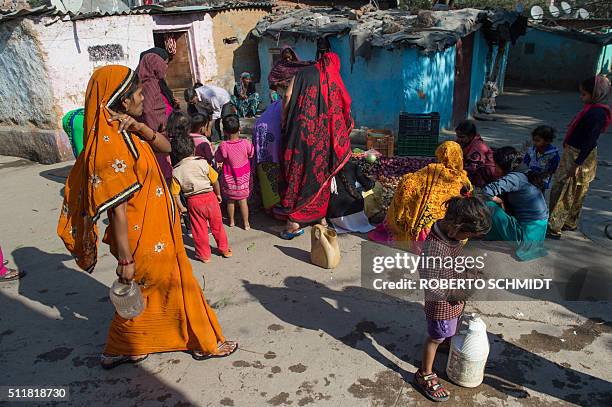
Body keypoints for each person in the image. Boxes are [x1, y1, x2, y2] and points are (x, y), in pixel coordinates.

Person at [57, 65, 237, 369]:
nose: (144, 96)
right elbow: (118, 210)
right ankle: (204, 341)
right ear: (123, 101)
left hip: (158, 233)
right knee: (173, 286)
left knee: (149, 293)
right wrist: (125, 260)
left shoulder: (128, 132)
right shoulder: (109, 147)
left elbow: (167, 149)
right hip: (143, 239)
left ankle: (126, 347)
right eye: (139, 92)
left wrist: (141, 128)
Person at [414, 194, 491, 402]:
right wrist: (455, 294)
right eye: (468, 234)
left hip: (453, 298)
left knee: (449, 329)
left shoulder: (449, 234)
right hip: (441, 304)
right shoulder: (436, 248)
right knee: (435, 337)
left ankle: (446, 342)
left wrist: (467, 272)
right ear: (456, 226)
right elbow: (431, 282)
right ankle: (425, 373)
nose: (467, 239)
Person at [279, 39, 353, 239]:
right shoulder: (333, 77)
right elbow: (344, 105)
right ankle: (320, 218)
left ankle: (293, 222)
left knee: (297, 172)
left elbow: (287, 96)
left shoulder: (301, 72)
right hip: (323, 138)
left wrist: (284, 121)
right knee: (320, 175)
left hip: (299, 132)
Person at [368, 141, 472, 252]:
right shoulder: (463, 179)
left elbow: (408, 183)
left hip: (425, 232)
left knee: (406, 194)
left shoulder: (431, 170)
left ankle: (405, 232)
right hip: (449, 231)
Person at [547, 75, 612, 239]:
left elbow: (590, 140)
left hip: (579, 156)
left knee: (564, 190)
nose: (581, 97)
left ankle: (554, 227)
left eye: (584, 94)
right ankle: (570, 222)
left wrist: (577, 163)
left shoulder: (597, 113)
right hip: (577, 154)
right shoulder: (592, 109)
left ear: (595, 93)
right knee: (576, 190)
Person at [170, 135, 231, 263]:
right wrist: (218, 194)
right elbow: (215, 181)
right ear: (193, 149)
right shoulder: (203, 163)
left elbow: (175, 193)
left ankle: (204, 255)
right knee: (217, 225)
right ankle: (224, 249)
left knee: (199, 230)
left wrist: (181, 207)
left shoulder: (176, 171)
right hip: (210, 198)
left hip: (193, 202)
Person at [482, 146, 549, 261]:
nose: (495, 168)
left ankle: (493, 234)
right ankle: (497, 234)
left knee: (490, 205)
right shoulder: (524, 170)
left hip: (526, 237)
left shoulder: (514, 178)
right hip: (538, 232)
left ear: (503, 166)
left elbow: (487, 192)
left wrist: (499, 200)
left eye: (495, 165)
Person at [137, 52, 173, 183]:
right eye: (162, 64)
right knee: (162, 170)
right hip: (156, 134)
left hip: (155, 132)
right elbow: (146, 109)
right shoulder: (151, 83)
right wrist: (155, 129)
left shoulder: (145, 82)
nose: (165, 67)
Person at [215, 114, 254, 230]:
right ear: (239, 129)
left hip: (229, 178)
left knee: (230, 201)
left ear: (224, 131)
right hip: (243, 178)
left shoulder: (224, 145)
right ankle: (246, 223)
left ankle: (231, 221)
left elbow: (218, 159)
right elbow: (251, 154)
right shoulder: (246, 143)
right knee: (243, 201)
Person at [327, 159, 375, 234]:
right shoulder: (353, 166)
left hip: (333, 216)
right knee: (375, 189)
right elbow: (368, 185)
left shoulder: (325, 166)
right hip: (357, 216)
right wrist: (372, 181)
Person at [253, 100, 283, 209]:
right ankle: (273, 204)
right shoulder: (291, 99)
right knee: (270, 165)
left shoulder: (278, 102)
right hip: (271, 131)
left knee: (264, 164)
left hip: (260, 128)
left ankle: (269, 202)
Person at [455, 120, 496, 188]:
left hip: (483, 180)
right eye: (457, 136)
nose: (458, 139)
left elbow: (472, 169)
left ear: (471, 136)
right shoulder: (465, 142)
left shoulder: (477, 148)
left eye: (461, 137)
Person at [139, 47, 180, 112]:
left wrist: (174, 103)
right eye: (165, 63)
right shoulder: (146, 85)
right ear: (153, 63)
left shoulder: (160, 82)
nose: (166, 66)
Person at [523, 125, 560, 191]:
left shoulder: (553, 155)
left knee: (539, 193)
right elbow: (525, 162)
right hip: (529, 176)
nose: (534, 143)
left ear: (547, 141)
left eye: (537, 141)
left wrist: (542, 176)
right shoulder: (531, 150)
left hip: (542, 180)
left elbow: (552, 169)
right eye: (534, 140)